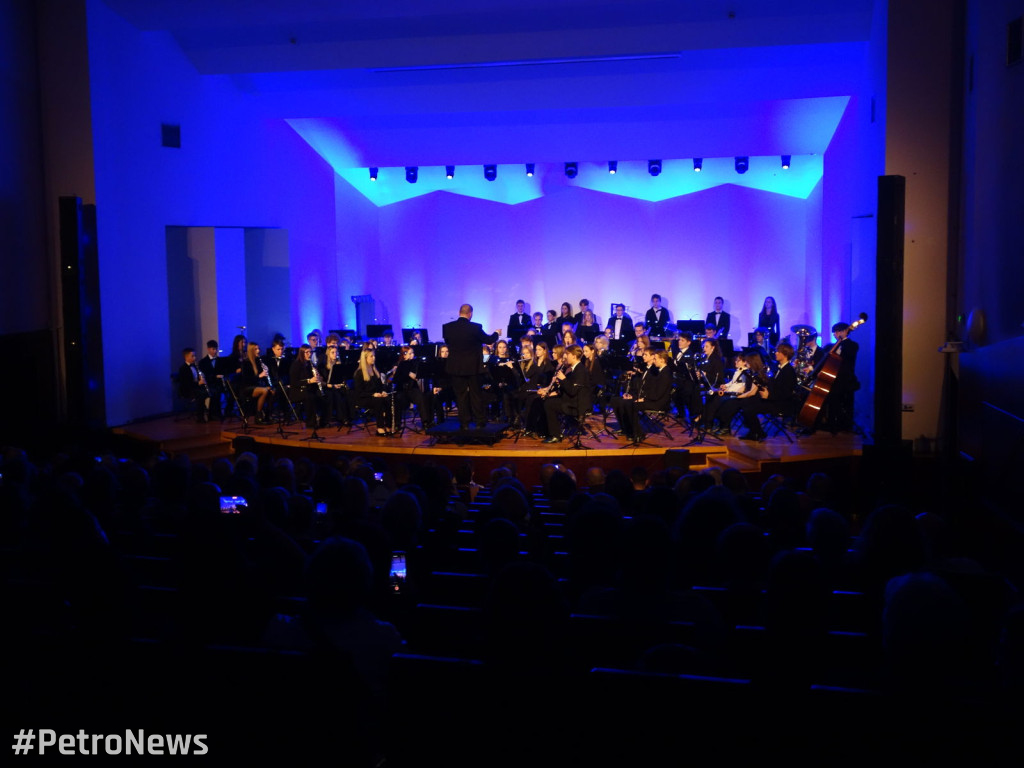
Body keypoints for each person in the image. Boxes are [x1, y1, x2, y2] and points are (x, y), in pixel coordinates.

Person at [441, 304, 501, 430]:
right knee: (476, 395)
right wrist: (496, 333)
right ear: (470, 314)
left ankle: (464, 423)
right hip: (473, 368)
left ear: (459, 312)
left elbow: (449, 343)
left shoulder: (447, 328)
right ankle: (480, 422)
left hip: (456, 368)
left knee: (460, 396)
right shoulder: (475, 327)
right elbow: (489, 340)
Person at [611, 349, 672, 440]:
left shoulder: (665, 373)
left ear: (662, 360)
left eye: (655, 359)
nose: (654, 361)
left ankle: (638, 433)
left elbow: (659, 393)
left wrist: (644, 399)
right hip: (653, 399)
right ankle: (629, 430)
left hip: (658, 403)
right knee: (619, 401)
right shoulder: (661, 371)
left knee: (631, 405)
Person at [541, 345, 587, 443]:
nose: (565, 356)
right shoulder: (573, 369)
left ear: (574, 356)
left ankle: (556, 435)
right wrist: (559, 382)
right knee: (546, 400)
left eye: (567, 354)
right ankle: (548, 431)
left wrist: (563, 379)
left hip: (576, 404)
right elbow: (568, 387)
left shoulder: (580, 370)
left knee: (549, 404)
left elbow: (572, 391)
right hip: (571, 399)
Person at [352, 348, 394, 436]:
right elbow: (359, 392)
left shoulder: (375, 371)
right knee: (378, 401)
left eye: (374, 356)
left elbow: (380, 386)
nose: (374, 358)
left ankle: (388, 426)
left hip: (375, 396)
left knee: (387, 398)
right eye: (371, 356)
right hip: (364, 398)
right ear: (365, 358)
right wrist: (372, 394)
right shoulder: (359, 373)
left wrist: (383, 391)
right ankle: (380, 428)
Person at [290, 344, 326, 428]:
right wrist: (309, 381)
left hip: (308, 388)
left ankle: (323, 420)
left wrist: (319, 378)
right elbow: (294, 382)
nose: (309, 354)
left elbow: (313, 378)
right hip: (297, 391)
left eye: (310, 352)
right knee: (310, 397)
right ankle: (311, 423)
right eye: (307, 352)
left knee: (324, 396)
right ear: (302, 353)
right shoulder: (296, 365)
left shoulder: (310, 364)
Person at [238, 342, 275, 423]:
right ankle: (258, 416)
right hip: (247, 388)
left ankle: (268, 415)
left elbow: (263, 377)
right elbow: (247, 379)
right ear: (251, 351)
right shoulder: (246, 363)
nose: (258, 351)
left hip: (257, 386)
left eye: (258, 349)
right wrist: (259, 376)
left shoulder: (259, 361)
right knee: (264, 391)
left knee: (272, 391)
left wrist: (269, 385)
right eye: (255, 349)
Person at [322, 344, 354, 426]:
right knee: (337, 395)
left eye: (336, 352)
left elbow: (343, 377)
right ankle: (342, 418)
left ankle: (350, 416)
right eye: (333, 352)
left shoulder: (339, 365)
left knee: (349, 393)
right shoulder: (323, 366)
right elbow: (323, 381)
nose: (335, 354)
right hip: (327, 387)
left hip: (338, 385)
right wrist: (332, 385)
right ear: (328, 354)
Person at [177, 347, 208, 422]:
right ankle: (200, 417)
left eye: (195, 356)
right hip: (188, 390)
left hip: (196, 388)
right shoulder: (183, 368)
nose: (195, 358)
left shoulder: (195, 366)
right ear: (186, 357)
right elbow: (186, 383)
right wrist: (198, 383)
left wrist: (201, 379)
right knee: (201, 394)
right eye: (193, 356)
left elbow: (197, 378)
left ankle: (210, 413)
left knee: (210, 392)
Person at [197, 340, 225, 420]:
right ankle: (213, 414)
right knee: (214, 391)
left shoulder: (220, 360)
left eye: (216, 349)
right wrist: (215, 377)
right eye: (213, 349)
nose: (215, 351)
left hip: (218, 383)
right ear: (208, 349)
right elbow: (204, 375)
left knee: (220, 390)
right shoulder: (202, 362)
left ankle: (218, 412)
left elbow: (223, 371)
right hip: (209, 383)